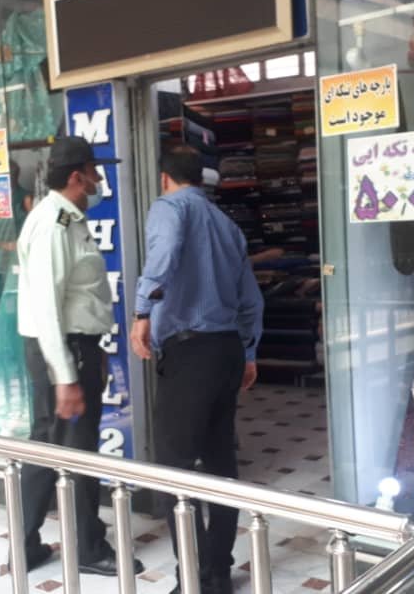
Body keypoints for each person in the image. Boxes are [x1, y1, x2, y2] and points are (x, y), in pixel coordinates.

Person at [129, 146, 264, 594]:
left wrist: (142, 311)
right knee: (222, 461)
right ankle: (218, 571)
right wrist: (248, 352)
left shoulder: (169, 208)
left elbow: (164, 251)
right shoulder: (227, 225)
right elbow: (251, 300)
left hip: (190, 353)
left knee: (175, 469)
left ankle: (193, 577)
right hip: (226, 350)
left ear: (165, 178)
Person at [16, 136, 144, 576]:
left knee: (48, 444)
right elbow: (47, 308)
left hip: (72, 347)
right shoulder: (54, 225)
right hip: (63, 349)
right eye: (94, 171)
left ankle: (26, 545)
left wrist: (89, 355)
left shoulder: (67, 219)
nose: (98, 179)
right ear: (77, 177)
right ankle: (89, 549)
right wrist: (66, 375)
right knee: (77, 450)